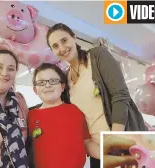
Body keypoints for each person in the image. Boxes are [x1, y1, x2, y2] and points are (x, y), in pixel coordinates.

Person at [45, 23, 148, 167]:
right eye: (55, 46)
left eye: (64, 40)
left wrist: (114, 140)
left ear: (74, 38)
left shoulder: (97, 56)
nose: (62, 48)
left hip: (123, 140)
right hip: (97, 151)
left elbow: (120, 95)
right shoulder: (65, 79)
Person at [27, 63, 100, 168]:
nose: (48, 85)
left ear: (62, 87)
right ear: (35, 90)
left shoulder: (75, 111)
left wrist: (108, 153)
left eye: (53, 81)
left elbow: (86, 142)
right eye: (41, 82)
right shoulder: (30, 116)